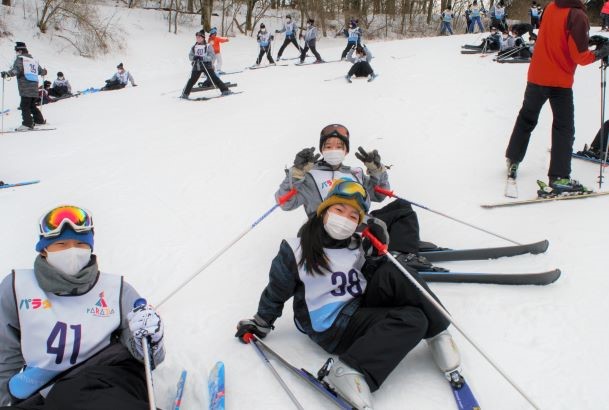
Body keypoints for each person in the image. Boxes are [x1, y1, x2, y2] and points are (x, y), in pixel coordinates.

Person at [235, 181, 462, 410]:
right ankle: (348, 370)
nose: (345, 219)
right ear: (325, 211)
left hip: (358, 304)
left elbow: (366, 277)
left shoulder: (356, 244)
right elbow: (277, 290)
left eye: (353, 216)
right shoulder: (296, 249)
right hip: (332, 325)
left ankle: (438, 331)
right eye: (339, 210)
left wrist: (376, 257)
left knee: (396, 271)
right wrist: (262, 322)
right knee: (414, 320)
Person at [0, 205, 165, 409]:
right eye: (61, 244)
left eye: (80, 244)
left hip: (109, 375)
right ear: (44, 249)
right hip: (44, 390)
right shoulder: (16, 287)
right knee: (61, 396)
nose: (72, 251)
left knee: (72, 394)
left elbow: (148, 358)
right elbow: (5, 353)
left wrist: (150, 341)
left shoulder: (116, 289)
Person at [275, 123, 440, 270]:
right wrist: (296, 174)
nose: (334, 150)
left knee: (402, 208)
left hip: (357, 220)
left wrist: (377, 170)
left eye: (339, 146)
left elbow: (379, 194)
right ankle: (393, 250)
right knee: (377, 225)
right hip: (325, 228)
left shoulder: (355, 173)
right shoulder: (310, 176)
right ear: (322, 150)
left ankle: (402, 248)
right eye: (328, 146)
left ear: (346, 150)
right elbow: (286, 203)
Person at [505, 0, 609, 197]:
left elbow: (558, 38)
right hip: (559, 81)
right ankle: (559, 177)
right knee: (564, 127)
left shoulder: (551, 7)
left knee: (526, 118)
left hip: (537, 75)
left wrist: (588, 41)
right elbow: (580, 56)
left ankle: (513, 159)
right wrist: (600, 53)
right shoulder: (578, 15)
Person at [1, 42, 47, 131]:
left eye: (16, 51)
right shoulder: (33, 60)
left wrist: (7, 74)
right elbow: (41, 71)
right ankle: (39, 121)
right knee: (32, 105)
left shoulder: (21, 59)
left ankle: (27, 124)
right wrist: (45, 72)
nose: (16, 53)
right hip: (34, 87)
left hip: (25, 87)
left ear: (20, 51)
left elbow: (17, 69)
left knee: (24, 105)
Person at [181, 31, 230, 99]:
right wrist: (194, 57)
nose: (198, 39)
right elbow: (190, 56)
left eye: (199, 37)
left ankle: (225, 90)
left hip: (207, 66)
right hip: (197, 66)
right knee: (191, 80)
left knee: (214, 78)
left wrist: (203, 58)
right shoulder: (194, 47)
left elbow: (212, 56)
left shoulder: (208, 46)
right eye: (197, 37)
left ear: (203, 38)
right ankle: (185, 94)